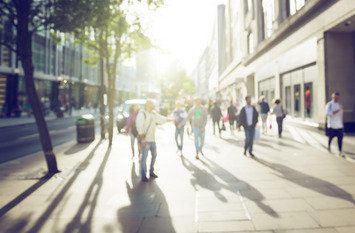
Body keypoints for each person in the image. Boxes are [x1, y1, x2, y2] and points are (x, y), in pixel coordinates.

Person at [136, 99, 176, 182]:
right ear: (148, 105)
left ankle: (151, 171)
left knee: (154, 155)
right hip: (145, 140)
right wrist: (143, 140)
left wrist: (172, 119)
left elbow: (162, 119)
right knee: (144, 157)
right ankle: (143, 175)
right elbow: (139, 128)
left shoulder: (153, 114)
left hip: (152, 139)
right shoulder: (142, 114)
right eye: (152, 104)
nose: (154, 106)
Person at [326, 92, 344, 156]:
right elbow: (327, 114)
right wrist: (334, 112)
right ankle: (329, 147)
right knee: (331, 138)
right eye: (335, 97)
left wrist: (342, 125)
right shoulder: (329, 104)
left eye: (337, 97)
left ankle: (340, 150)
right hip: (332, 125)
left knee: (340, 139)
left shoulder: (339, 105)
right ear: (332, 97)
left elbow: (340, 116)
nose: (336, 98)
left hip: (339, 125)